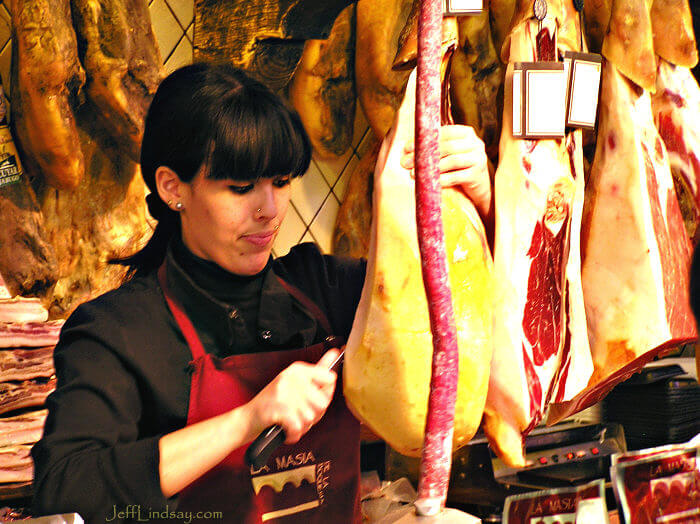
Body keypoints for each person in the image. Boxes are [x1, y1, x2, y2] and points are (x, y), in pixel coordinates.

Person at [31, 63, 492, 524]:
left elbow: (468, 324)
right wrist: (246, 420)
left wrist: (483, 205)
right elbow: (65, 488)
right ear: (173, 187)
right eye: (241, 188)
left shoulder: (327, 289)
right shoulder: (118, 332)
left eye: (281, 182)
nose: (269, 211)